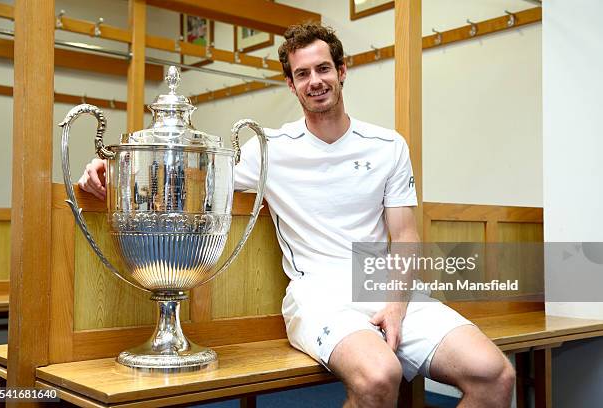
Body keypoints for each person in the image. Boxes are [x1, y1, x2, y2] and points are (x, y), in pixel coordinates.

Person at [79, 23, 515, 408]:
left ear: (341, 72)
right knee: (380, 377)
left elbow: (404, 236)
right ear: (291, 85)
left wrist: (396, 309)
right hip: (318, 297)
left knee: (496, 375)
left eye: (323, 69)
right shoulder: (269, 149)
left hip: (386, 289)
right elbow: (190, 172)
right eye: (302, 74)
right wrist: (111, 168)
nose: (315, 81)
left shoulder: (388, 146)